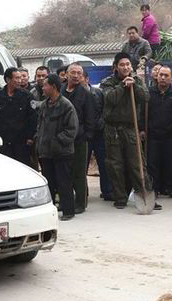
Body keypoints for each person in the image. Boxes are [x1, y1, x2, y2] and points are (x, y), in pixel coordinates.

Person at [100, 52, 160, 210]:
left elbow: (145, 98)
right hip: (112, 129)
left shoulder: (138, 81)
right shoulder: (107, 82)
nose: (126, 67)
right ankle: (120, 197)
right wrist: (122, 86)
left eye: (128, 64)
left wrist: (134, 86)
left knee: (138, 163)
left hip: (130, 127)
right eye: (122, 65)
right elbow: (109, 99)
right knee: (116, 165)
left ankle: (145, 195)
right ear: (115, 67)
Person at [35, 74, 78, 221]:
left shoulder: (66, 105)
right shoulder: (44, 105)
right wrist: (38, 140)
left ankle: (68, 211)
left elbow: (72, 130)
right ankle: (51, 210)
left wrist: (56, 141)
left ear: (53, 87)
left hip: (62, 152)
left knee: (64, 182)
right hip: (46, 153)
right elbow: (40, 127)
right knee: (49, 183)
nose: (43, 87)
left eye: (45, 85)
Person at [141, 66, 172, 200]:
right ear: (157, 77)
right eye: (161, 75)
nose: (163, 78)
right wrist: (142, 129)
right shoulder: (149, 93)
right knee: (153, 163)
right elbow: (142, 112)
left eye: (166, 75)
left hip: (171, 134)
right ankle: (155, 188)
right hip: (153, 134)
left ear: (171, 78)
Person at [61, 63, 96, 214]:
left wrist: (86, 135)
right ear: (66, 74)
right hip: (62, 139)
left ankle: (81, 203)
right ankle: (66, 201)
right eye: (73, 72)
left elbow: (90, 117)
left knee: (79, 172)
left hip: (79, 139)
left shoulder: (86, 94)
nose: (76, 75)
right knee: (64, 172)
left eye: (79, 73)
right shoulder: (60, 91)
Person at [0, 67, 36, 167]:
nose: (20, 81)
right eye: (17, 78)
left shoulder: (27, 96)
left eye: (21, 78)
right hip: (4, 142)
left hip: (21, 142)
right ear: (8, 80)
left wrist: (30, 137)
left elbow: (32, 118)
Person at [82, 71, 113, 201]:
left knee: (104, 164)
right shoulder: (76, 94)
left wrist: (101, 123)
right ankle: (83, 192)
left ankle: (107, 191)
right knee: (82, 165)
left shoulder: (98, 92)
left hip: (99, 133)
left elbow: (105, 110)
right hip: (84, 134)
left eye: (82, 77)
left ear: (87, 79)